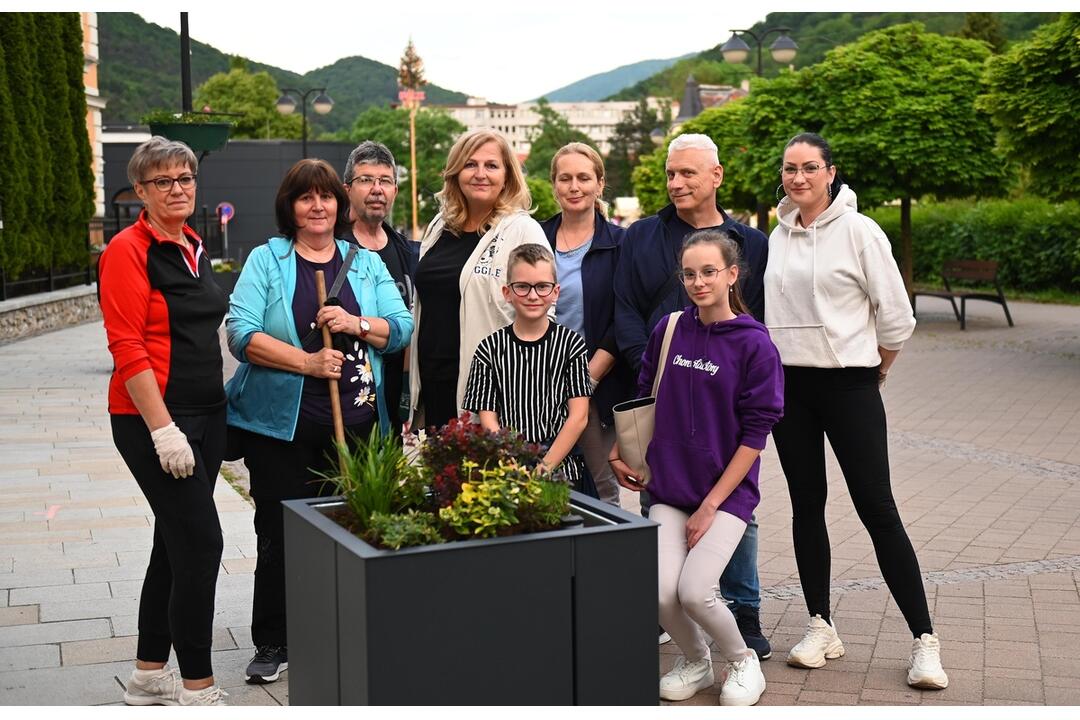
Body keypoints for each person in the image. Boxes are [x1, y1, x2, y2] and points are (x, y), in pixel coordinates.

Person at [765, 132, 948, 689]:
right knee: (806, 506)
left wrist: (877, 372)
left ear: (830, 172)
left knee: (877, 507)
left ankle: (925, 641)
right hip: (790, 389)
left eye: (810, 168)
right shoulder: (776, 236)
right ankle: (821, 625)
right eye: (790, 168)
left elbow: (896, 317)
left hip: (851, 387)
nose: (799, 178)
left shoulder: (860, 231)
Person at [225, 159, 413, 685]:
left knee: (352, 528)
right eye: (305, 197)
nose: (317, 206)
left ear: (340, 204)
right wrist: (305, 362)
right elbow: (240, 333)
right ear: (290, 206)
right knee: (278, 535)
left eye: (326, 197)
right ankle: (274, 640)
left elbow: (400, 327)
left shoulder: (364, 262)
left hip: (353, 428)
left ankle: (341, 627)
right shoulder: (268, 259)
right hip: (281, 431)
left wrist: (355, 322)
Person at [613, 133, 771, 657]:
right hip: (663, 388)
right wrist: (659, 370)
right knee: (665, 529)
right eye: (670, 174)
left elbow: (754, 318)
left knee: (733, 517)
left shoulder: (752, 243)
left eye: (688, 173)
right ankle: (687, 637)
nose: (677, 183)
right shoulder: (641, 236)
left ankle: (743, 614)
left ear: (716, 176)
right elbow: (626, 310)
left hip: (721, 398)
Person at [610, 230, 783, 705]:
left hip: (725, 495)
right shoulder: (669, 329)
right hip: (668, 488)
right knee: (663, 593)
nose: (698, 282)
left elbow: (755, 437)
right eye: (689, 273)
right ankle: (697, 661)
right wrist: (620, 450)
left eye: (709, 272)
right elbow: (643, 394)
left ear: (732, 274)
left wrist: (710, 506)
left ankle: (742, 660)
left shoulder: (755, 344)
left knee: (696, 592)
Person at [99, 137, 229, 706]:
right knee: (202, 544)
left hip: (208, 415)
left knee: (172, 543)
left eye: (185, 178)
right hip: (155, 421)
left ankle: (149, 674)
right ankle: (197, 688)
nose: (177, 188)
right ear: (141, 192)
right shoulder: (128, 249)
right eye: (163, 181)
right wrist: (162, 430)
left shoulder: (194, 244)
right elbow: (127, 345)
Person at [407, 129, 548, 431]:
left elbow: (544, 314)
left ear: (508, 176)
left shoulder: (523, 231)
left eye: (491, 165)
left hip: (490, 396)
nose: (480, 174)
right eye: (470, 164)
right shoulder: (439, 227)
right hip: (433, 383)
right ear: (456, 172)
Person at [539, 142, 633, 506]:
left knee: (602, 488)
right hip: (537, 381)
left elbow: (621, 317)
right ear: (554, 185)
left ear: (599, 184)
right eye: (565, 178)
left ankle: (608, 561)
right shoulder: (535, 238)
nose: (574, 186)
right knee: (541, 478)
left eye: (583, 178)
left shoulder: (620, 244)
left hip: (596, 385)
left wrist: (584, 379)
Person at [462, 244, 592, 490]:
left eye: (542, 287)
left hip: (562, 469)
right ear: (507, 292)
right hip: (507, 466)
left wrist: (544, 468)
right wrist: (512, 463)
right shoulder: (489, 349)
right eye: (522, 287)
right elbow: (487, 416)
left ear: (556, 292)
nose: (533, 296)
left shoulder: (571, 344)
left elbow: (578, 416)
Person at [343, 140, 417, 437]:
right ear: (346, 188)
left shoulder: (406, 251)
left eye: (385, 181)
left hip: (391, 402)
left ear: (395, 191)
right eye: (365, 180)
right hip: (347, 396)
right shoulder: (335, 248)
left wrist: (408, 397)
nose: (377, 189)